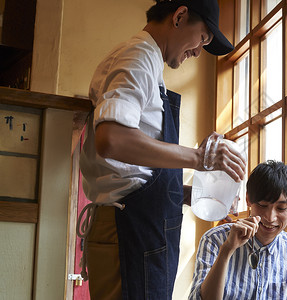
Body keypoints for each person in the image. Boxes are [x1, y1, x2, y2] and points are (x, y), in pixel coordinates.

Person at [77, 0, 246, 299]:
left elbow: (135, 172)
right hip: (129, 229)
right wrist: (199, 158)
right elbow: (111, 139)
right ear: (180, 16)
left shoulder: (149, 63)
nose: (198, 51)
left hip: (139, 225)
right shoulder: (138, 57)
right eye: (203, 39)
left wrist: (192, 195)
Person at [189, 160, 287, 300]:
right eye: (263, 205)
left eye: (281, 208)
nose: (270, 217)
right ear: (248, 200)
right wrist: (226, 251)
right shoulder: (215, 239)